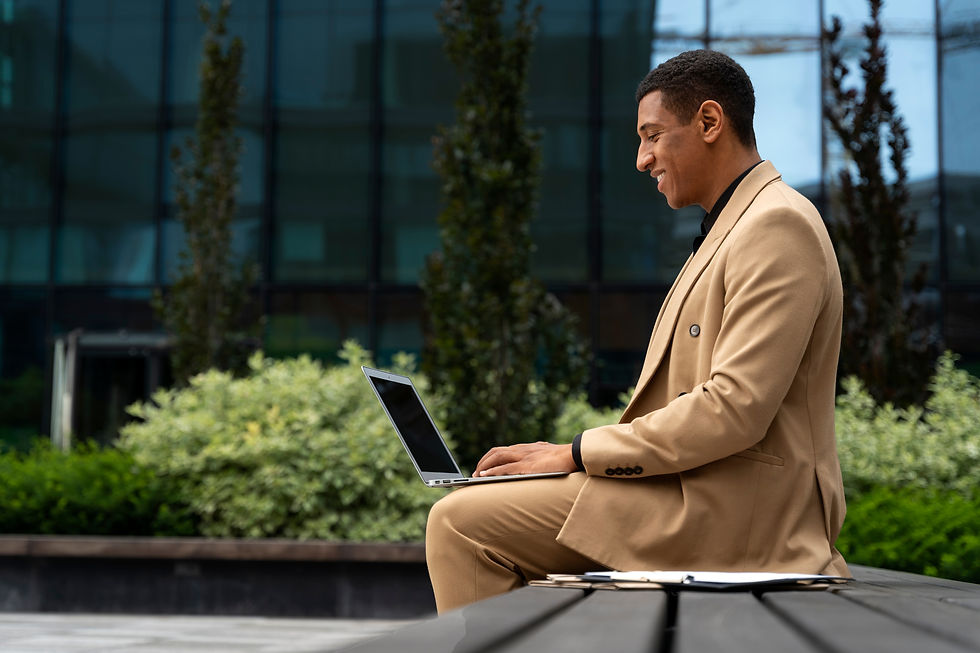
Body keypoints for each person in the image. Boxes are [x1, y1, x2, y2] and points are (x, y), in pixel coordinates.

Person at [425, 49, 850, 614]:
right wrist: (570, 455)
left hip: (742, 520)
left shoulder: (776, 224)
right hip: (700, 496)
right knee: (483, 504)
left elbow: (734, 408)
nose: (641, 159)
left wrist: (574, 453)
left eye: (652, 136)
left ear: (708, 122)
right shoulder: (738, 223)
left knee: (461, 522)